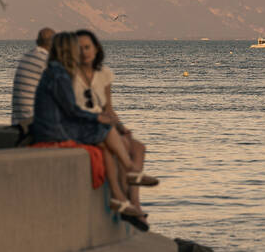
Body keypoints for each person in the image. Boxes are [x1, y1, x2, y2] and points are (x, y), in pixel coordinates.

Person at [29, 32, 158, 222]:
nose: (80, 52)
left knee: (120, 141)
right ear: (69, 49)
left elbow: (104, 108)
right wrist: (98, 118)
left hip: (59, 126)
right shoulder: (62, 74)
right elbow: (72, 110)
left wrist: (113, 122)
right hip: (56, 131)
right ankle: (129, 177)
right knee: (105, 133)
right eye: (77, 48)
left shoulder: (58, 71)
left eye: (86, 47)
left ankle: (122, 198)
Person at [73, 29, 151, 229]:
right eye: (80, 48)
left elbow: (109, 108)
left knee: (139, 147)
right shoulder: (71, 75)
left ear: (96, 48)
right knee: (123, 147)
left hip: (105, 124)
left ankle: (134, 203)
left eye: (88, 47)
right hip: (85, 125)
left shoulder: (104, 74)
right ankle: (129, 207)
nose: (84, 52)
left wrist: (121, 127)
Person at [12, 27, 55, 128]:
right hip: (32, 121)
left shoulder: (27, 56)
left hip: (18, 120)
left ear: (37, 41)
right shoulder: (45, 60)